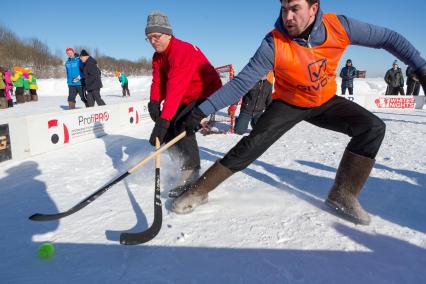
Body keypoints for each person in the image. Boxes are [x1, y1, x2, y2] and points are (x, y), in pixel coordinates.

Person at [173, 0, 426, 226]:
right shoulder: (273, 43)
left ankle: (343, 194)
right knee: (252, 144)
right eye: (284, 9)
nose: (288, 16)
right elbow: (241, 83)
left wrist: (420, 66)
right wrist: (202, 111)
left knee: (372, 128)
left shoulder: (340, 26)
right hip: (289, 102)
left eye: (295, 8)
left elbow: (389, 38)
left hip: (325, 100)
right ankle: (199, 190)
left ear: (313, 8)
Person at [145, 11, 222, 198]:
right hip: (185, 95)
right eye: (149, 38)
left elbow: (175, 88)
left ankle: (191, 171)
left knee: (182, 125)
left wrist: (163, 121)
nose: (153, 41)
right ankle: (180, 163)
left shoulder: (182, 51)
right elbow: (159, 82)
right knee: (170, 126)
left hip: (206, 92)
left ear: (168, 34)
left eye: (156, 36)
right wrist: (154, 102)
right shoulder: (158, 56)